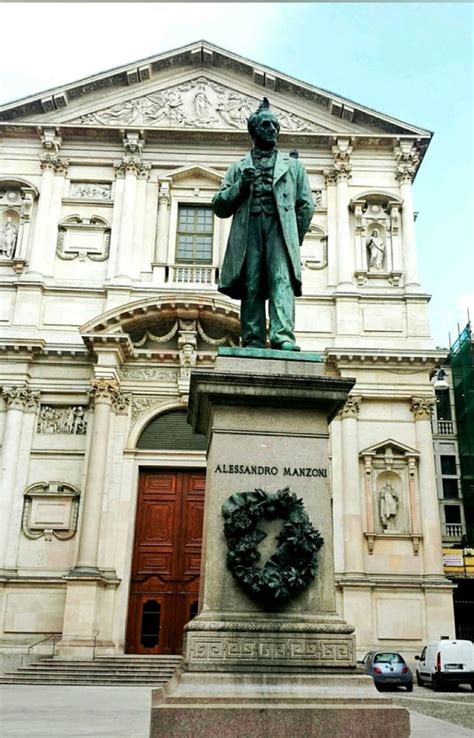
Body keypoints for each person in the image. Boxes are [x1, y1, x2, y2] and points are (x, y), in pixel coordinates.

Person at [212, 98, 314, 351]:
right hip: (249, 231)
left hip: (279, 230)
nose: (272, 129)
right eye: (266, 125)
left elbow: (306, 205)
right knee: (252, 284)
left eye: (275, 126)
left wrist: (293, 236)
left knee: (281, 280)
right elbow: (220, 206)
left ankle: (283, 335)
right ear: (253, 131)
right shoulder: (238, 168)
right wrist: (241, 186)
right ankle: (253, 337)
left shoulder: (295, 167)